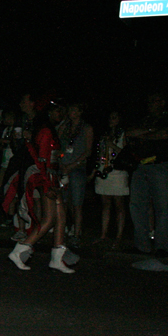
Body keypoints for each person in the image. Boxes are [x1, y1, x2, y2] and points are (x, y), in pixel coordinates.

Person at [7, 102, 76, 273]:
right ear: (49, 113)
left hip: (51, 176)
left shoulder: (49, 130)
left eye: (61, 110)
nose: (60, 114)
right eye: (57, 111)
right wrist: (47, 184)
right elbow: (42, 160)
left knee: (60, 217)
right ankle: (20, 249)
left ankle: (57, 258)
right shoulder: (45, 131)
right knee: (49, 218)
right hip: (45, 177)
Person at [126, 92, 168, 257]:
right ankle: (142, 245)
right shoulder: (144, 119)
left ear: (162, 102)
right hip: (140, 166)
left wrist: (143, 134)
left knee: (163, 207)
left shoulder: (165, 118)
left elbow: (164, 134)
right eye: (149, 101)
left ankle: (162, 246)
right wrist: (151, 132)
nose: (151, 103)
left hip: (160, 166)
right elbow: (129, 132)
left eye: (155, 100)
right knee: (137, 205)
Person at [57, 103, 94, 245]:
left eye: (73, 109)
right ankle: (63, 230)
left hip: (77, 169)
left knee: (77, 203)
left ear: (80, 112)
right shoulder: (65, 127)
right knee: (63, 202)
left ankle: (77, 234)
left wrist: (72, 165)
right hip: (63, 167)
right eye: (69, 109)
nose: (70, 112)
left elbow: (88, 151)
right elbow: (58, 145)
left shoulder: (86, 128)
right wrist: (61, 163)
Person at [92, 109, 129, 249]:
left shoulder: (124, 134)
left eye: (114, 117)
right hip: (104, 170)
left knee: (119, 205)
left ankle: (119, 237)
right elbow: (100, 153)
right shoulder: (104, 135)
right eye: (110, 118)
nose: (111, 120)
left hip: (118, 172)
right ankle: (103, 235)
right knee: (105, 204)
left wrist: (112, 145)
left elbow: (126, 153)